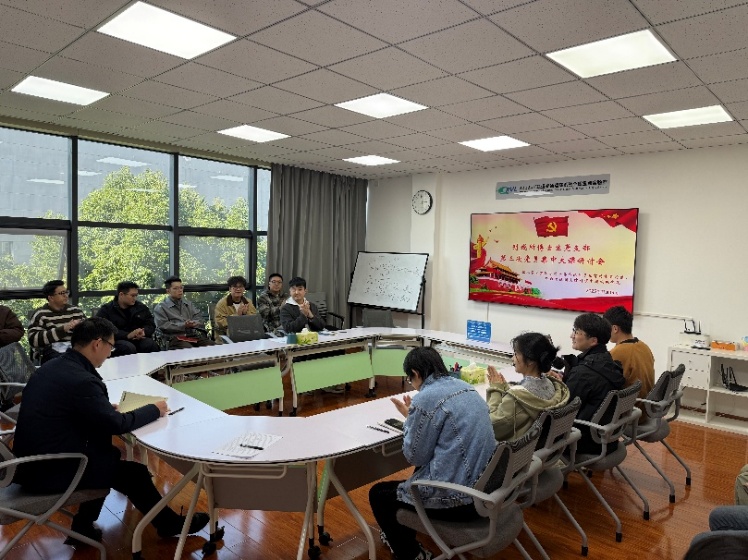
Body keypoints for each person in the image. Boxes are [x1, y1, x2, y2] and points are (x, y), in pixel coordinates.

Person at [12, 318, 209, 546]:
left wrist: (101, 409)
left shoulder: (53, 366)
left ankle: (83, 526)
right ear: (97, 344)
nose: (110, 353)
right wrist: (154, 409)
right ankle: (168, 524)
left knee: (110, 458)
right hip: (51, 470)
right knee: (131, 472)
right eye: (111, 346)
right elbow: (116, 425)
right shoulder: (82, 380)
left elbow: (68, 409)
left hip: (30, 462)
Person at [369, 347, 497, 560]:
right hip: (485, 491)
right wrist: (415, 417)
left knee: (379, 494)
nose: (413, 385)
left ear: (416, 373)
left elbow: (414, 456)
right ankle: (405, 537)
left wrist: (410, 423)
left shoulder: (426, 398)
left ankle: (412, 554)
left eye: (410, 380)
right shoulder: (466, 388)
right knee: (416, 476)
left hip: (460, 501)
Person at [486, 332, 570, 441]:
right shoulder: (551, 385)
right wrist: (505, 389)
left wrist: (495, 390)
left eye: (516, 354)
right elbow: (521, 402)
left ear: (530, 361)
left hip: (512, 449)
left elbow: (492, 425)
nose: (512, 358)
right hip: (536, 444)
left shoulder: (519, 397)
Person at [562, 313, 625, 455]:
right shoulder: (608, 361)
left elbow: (563, 408)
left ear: (593, 341)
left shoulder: (583, 374)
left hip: (583, 441)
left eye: (577, 332)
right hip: (606, 436)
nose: (572, 336)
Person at [603, 305, 655, 422]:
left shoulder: (617, 353)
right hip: (646, 409)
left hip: (631, 414)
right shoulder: (644, 346)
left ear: (615, 329)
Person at [27, 280, 86, 363]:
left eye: (66, 292)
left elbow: (89, 331)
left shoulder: (76, 311)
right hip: (51, 354)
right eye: (62, 293)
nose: (66, 295)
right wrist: (63, 329)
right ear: (51, 297)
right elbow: (33, 340)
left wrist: (80, 327)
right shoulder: (40, 314)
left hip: (75, 350)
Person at [96, 281, 159, 355]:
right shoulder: (106, 310)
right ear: (121, 294)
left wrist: (143, 332)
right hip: (117, 340)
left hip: (138, 338)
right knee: (128, 347)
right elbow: (102, 330)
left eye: (136, 295)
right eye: (132, 296)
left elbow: (150, 323)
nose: (135, 298)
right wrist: (127, 335)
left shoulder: (141, 307)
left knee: (151, 344)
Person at [153, 276, 215, 349]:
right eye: (175, 288)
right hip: (173, 338)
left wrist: (194, 323)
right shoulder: (161, 307)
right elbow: (163, 326)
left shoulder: (188, 304)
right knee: (189, 350)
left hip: (192, 336)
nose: (180, 290)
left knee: (214, 346)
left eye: (181, 288)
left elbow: (199, 318)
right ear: (168, 291)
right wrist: (183, 325)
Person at [214, 275, 257, 342]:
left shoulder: (248, 302)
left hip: (247, 334)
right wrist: (237, 315)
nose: (238, 289)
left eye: (240, 287)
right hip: (226, 337)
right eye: (235, 287)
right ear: (230, 289)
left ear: (244, 289)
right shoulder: (222, 303)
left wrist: (245, 314)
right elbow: (219, 323)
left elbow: (255, 320)